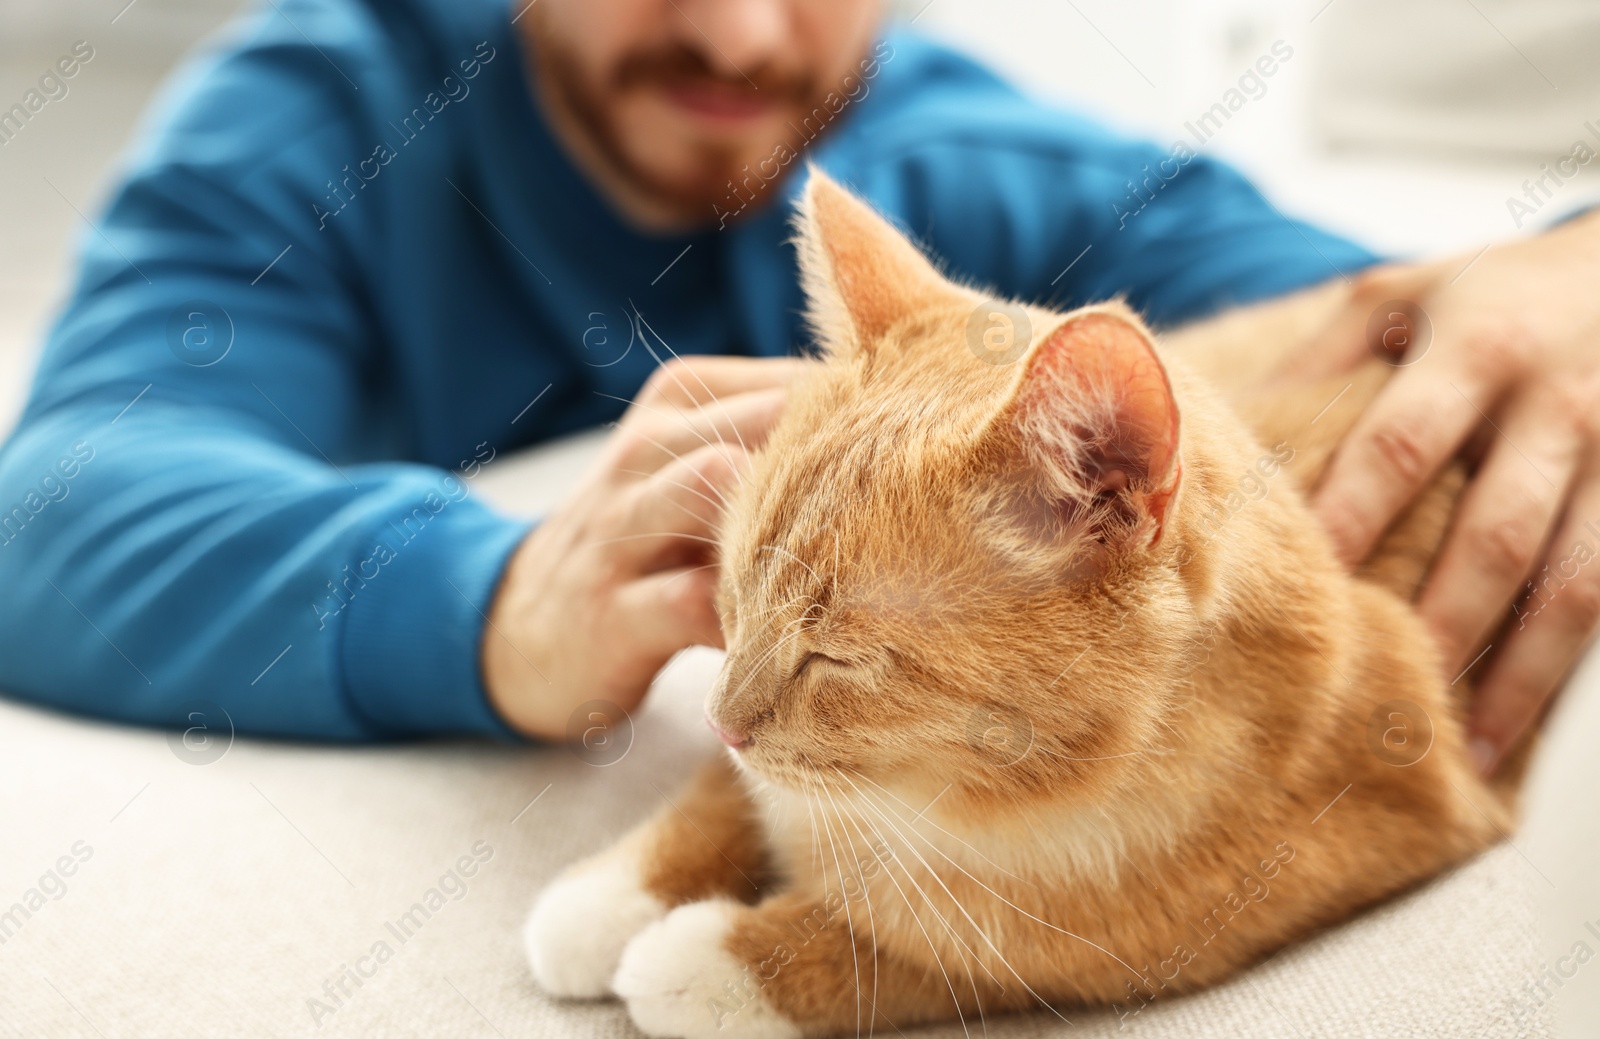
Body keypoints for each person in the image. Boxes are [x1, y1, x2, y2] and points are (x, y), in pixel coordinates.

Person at [0, 0, 1593, 778]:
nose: (741, 32)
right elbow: (55, 504)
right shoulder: (316, 111)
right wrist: (493, 595)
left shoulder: (956, 163)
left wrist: (1571, 260)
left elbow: (1383, 315)